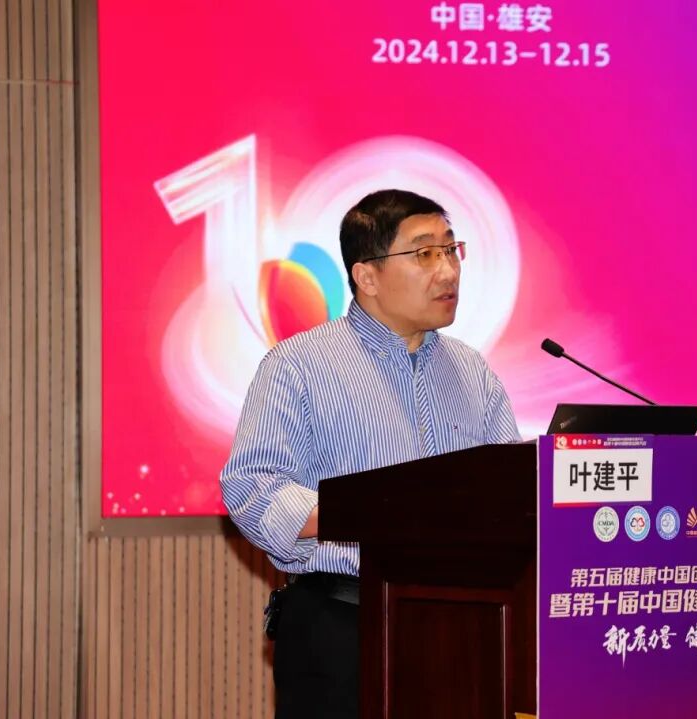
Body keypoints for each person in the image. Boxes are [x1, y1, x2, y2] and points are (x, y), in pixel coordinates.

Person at [221, 189, 520, 718]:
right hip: (343, 627)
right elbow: (253, 490)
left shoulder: (472, 372)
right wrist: (377, 511)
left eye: (451, 250)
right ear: (367, 276)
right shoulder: (299, 366)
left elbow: (510, 488)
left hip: (464, 627)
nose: (448, 271)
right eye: (425, 253)